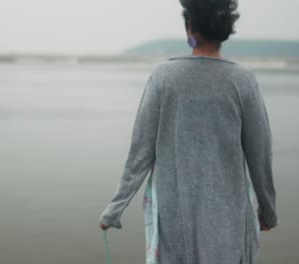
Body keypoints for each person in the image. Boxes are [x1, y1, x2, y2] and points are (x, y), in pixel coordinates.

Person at [98, 0, 278, 263]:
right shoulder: (243, 81)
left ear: (189, 29)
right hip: (228, 224)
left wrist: (114, 209)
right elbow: (259, 154)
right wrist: (268, 211)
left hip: (175, 223)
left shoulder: (164, 77)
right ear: (224, 30)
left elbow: (140, 152)